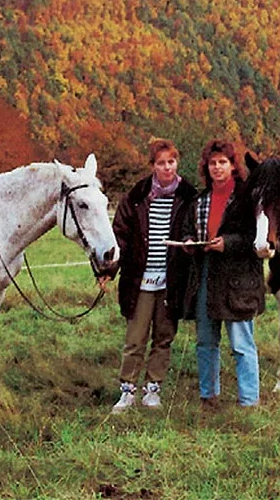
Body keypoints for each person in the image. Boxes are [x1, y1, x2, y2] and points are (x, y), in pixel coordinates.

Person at [98, 138, 196, 414]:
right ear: (152, 165)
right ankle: (127, 390)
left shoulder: (189, 196)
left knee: (164, 337)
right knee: (135, 338)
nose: (167, 167)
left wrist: (190, 242)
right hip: (140, 280)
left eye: (171, 162)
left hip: (171, 281)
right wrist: (109, 270)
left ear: (177, 163)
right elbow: (120, 236)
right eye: (161, 163)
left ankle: (153, 389)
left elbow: (194, 229)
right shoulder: (136, 196)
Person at [171, 139, 264, 409]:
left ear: (233, 166)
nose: (217, 167)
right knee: (205, 341)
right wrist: (189, 241)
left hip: (238, 280)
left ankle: (249, 400)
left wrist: (228, 243)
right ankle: (208, 396)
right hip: (205, 275)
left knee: (241, 344)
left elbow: (255, 237)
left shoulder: (247, 199)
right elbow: (187, 229)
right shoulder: (199, 200)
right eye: (212, 163)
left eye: (223, 162)